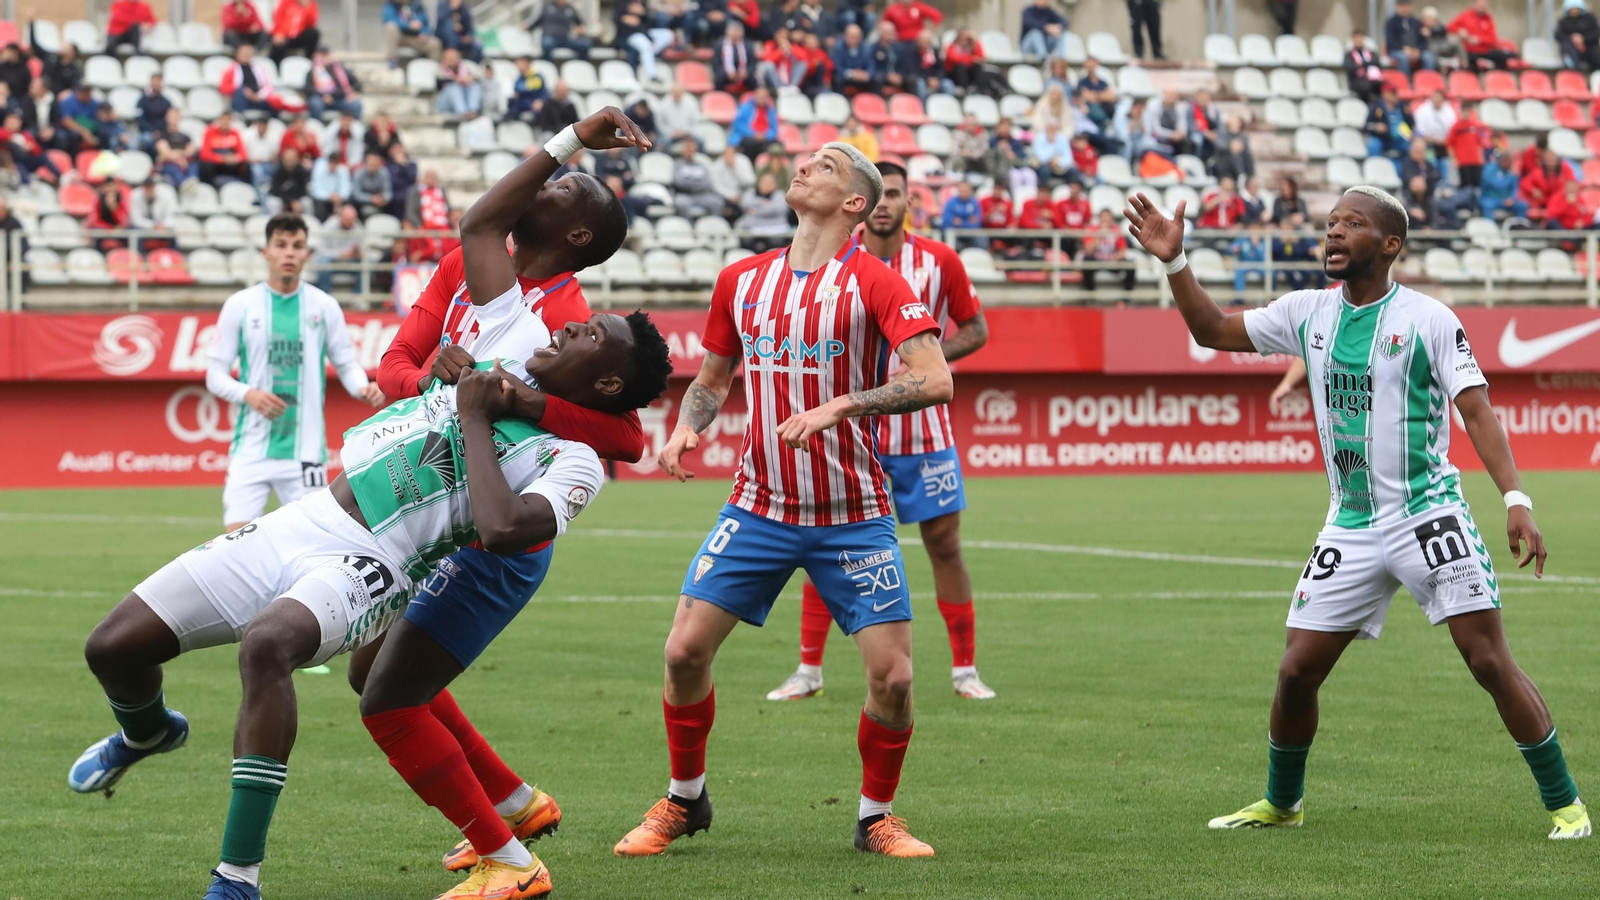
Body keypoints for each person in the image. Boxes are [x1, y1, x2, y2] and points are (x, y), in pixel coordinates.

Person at [70, 195, 665, 900]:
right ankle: (147, 733)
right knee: (110, 647)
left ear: (604, 382)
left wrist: (481, 414)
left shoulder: (574, 461)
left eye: (587, 335)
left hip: (378, 562)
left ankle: (237, 879)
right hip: (309, 513)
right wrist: (437, 377)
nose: (567, 331)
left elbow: (509, 524)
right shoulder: (513, 323)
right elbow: (473, 232)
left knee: (282, 651)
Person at [1125, 182, 1585, 840]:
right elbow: (1211, 328)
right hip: (1351, 523)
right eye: (1331, 221)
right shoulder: (1307, 312)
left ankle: (1566, 805)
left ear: (1390, 244)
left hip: (1429, 514)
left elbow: (1477, 411)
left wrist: (1516, 499)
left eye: (1353, 224)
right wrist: (1175, 261)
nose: (1334, 232)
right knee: (1295, 671)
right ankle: (1282, 802)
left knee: (1488, 659)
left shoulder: (1427, 319)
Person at [615, 140, 951, 862]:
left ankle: (875, 819)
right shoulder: (742, 280)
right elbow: (713, 374)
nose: (805, 167)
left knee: (893, 678)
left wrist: (843, 406)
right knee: (682, 654)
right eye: (805, 160)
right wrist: (685, 429)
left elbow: (934, 377)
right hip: (759, 507)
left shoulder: (878, 284)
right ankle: (684, 798)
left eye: (826, 165)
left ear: (856, 202)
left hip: (853, 517)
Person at [363, 108, 657, 900]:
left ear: (579, 238)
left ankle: (505, 842)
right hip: (423, 500)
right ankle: (515, 806)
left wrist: (516, 401)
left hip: (492, 523)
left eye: (562, 187)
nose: (546, 185)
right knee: (371, 668)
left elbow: (626, 440)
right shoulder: (469, 267)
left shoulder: (567, 324)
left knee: (383, 686)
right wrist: (433, 383)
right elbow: (391, 365)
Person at [767, 158, 992, 704]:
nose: (887, 202)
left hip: (923, 434)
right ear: (861, 202)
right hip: (849, 435)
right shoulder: (834, 257)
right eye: (881, 193)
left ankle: (965, 670)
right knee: (822, 544)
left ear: (909, 201)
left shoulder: (940, 262)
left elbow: (977, 330)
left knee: (944, 545)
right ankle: (808, 669)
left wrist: (928, 359)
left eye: (897, 193)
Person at [613, 0, 673, 83]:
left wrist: (643, 13)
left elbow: (649, 23)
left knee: (668, 34)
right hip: (631, 35)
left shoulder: (643, 4)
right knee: (645, 45)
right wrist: (627, 15)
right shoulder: (622, 4)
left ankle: (650, 52)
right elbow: (617, 19)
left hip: (645, 33)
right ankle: (652, 75)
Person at [734, 171, 792, 251]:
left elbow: (779, 208)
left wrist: (756, 211)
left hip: (775, 230)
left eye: (769, 184)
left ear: (775, 185)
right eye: (764, 183)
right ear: (759, 184)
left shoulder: (780, 194)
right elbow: (745, 203)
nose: (766, 186)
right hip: (752, 230)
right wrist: (763, 203)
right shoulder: (750, 193)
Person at [1448, 0, 1516, 69]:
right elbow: (1450, 27)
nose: (1481, 7)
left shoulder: (1488, 18)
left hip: (1484, 51)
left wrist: (1479, 40)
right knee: (1470, 61)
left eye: (1483, 6)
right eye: (1480, 5)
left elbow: (1493, 39)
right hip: (1468, 51)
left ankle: (1497, 78)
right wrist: (1459, 30)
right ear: (1475, 4)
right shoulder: (1466, 15)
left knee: (1501, 58)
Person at [671, 136, 726, 218]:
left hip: (701, 195)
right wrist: (696, 184)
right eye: (687, 149)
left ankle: (712, 227)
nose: (690, 151)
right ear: (683, 150)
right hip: (684, 195)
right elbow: (679, 182)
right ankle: (688, 228)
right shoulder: (677, 165)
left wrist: (691, 184)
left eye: (692, 149)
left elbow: (707, 183)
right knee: (681, 204)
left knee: (717, 202)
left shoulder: (701, 166)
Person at [221, 43, 280, 118]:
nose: (246, 55)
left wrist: (259, 95)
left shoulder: (259, 69)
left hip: (257, 98)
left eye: (248, 53)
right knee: (240, 92)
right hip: (241, 99)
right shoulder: (231, 69)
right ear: (237, 54)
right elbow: (224, 87)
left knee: (276, 103)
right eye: (244, 53)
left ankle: (272, 123)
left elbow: (268, 86)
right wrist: (244, 91)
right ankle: (239, 119)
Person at [304, 46, 363, 120]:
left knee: (356, 104)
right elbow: (308, 89)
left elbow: (356, 83)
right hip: (320, 99)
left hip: (339, 99)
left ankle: (352, 129)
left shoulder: (340, 70)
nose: (323, 58)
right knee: (314, 103)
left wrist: (354, 93)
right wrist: (323, 96)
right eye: (320, 55)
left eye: (325, 55)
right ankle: (317, 128)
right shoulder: (312, 72)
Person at [315, 202, 364, 290]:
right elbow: (321, 250)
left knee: (369, 262)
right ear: (340, 217)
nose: (351, 222)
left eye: (353, 219)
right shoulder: (329, 226)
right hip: (332, 262)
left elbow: (363, 248)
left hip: (351, 262)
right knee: (322, 261)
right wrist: (340, 254)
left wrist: (358, 252)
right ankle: (325, 294)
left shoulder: (358, 226)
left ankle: (359, 297)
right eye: (348, 219)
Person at [384, 0, 442, 68]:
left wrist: (424, 33)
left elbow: (426, 23)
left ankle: (433, 71)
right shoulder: (391, 5)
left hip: (415, 37)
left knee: (434, 43)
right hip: (400, 37)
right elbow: (389, 20)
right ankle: (393, 61)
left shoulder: (417, 5)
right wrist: (408, 25)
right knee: (390, 27)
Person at [1365, 83, 1414, 163]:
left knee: (1413, 147)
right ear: (1384, 94)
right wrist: (1376, 127)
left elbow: (1411, 122)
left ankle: (1408, 170)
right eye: (1392, 93)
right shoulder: (1377, 107)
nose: (1395, 96)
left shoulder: (1402, 106)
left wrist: (1411, 133)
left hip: (1400, 137)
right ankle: (1373, 166)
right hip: (1383, 137)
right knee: (1374, 144)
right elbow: (1367, 126)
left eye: (1395, 93)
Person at [200, 110, 251, 185]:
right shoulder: (209, 132)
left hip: (232, 163)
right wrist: (221, 159)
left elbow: (243, 154)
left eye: (227, 120)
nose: (225, 122)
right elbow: (204, 154)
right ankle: (211, 188)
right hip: (217, 163)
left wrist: (236, 158)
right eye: (223, 119)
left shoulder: (235, 133)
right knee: (206, 166)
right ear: (218, 120)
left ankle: (246, 187)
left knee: (247, 165)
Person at [728, 85, 779, 157]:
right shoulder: (745, 107)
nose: (762, 99)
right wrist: (754, 134)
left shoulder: (771, 111)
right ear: (755, 96)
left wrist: (765, 135)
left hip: (764, 138)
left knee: (776, 145)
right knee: (750, 143)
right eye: (760, 97)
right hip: (749, 136)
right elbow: (738, 124)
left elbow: (774, 130)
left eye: (764, 97)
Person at [1385, 0, 1434, 76]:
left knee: (1429, 58)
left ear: (1411, 7)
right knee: (1403, 58)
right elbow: (1390, 39)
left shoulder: (1416, 22)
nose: (1404, 8)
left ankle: (1426, 81)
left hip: (1415, 50)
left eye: (1407, 6)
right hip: (1397, 50)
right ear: (1397, 7)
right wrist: (1403, 48)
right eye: (1402, 6)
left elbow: (1422, 39)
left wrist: (1419, 50)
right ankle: (1404, 83)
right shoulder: (1391, 22)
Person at [1447, 101, 1488, 188]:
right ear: (1460, 112)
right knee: (1466, 185)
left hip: (1475, 161)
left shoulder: (1475, 126)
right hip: (1463, 161)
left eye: (1468, 111)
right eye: (1464, 111)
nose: (1466, 113)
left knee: (1477, 184)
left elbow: (1479, 144)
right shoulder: (1456, 127)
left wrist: (1480, 157)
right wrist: (1454, 159)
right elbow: (1450, 145)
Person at [154, 107, 198, 185]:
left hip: (186, 163)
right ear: (167, 118)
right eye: (172, 116)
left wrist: (176, 153)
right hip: (170, 164)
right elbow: (165, 153)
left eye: (176, 116)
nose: (174, 119)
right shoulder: (162, 135)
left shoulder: (185, 136)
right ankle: (184, 183)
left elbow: (191, 151)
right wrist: (179, 158)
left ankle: (192, 182)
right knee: (172, 168)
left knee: (195, 165)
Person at [435, 47, 484, 117]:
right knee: (454, 87)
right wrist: (456, 79)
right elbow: (438, 83)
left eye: (453, 57)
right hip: (445, 104)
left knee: (474, 86)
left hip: (465, 99)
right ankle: (463, 113)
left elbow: (479, 78)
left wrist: (470, 78)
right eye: (448, 57)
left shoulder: (467, 66)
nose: (450, 59)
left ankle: (473, 111)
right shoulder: (440, 68)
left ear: (458, 58)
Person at [1479, 151, 1527, 219]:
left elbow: (1515, 188)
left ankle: (1521, 227)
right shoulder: (1490, 168)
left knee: (1522, 205)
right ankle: (1491, 228)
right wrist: (1510, 176)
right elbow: (1495, 183)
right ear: (1502, 160)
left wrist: (1512, 198)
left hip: (1506, 200)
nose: (1509, 163)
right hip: (1490, 198)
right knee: (1487, 206)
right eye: (1507, 161)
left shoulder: (1511, 172)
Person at [712, 21, 757, 93]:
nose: (735, 36)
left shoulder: (748, 45)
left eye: (737, 34)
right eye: (733, 34)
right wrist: (727, 73)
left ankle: (751, 101)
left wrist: (746, 72)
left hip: (743, 74)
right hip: (726, 74)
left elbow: (752, 64)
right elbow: (716, 65)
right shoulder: (720, 45)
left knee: (753, 81)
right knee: (718, 79)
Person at [87, 177, 132, 248]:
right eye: (108, 186)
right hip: (104, 229)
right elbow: (95, 220)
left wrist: (114, 208)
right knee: (96, 233)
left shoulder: (121, 199)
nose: (110, 189)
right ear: (104, 188)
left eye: (112, 186)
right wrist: (109, 229)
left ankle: (126, 256)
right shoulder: (98, 199)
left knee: (130, 235)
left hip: (119, 229)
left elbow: (124, 220)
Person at [709, 142, 755, 211]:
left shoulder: (743, 160)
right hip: (725, 196)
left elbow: (750, 181)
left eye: (731, 154)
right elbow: (717, 186)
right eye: (726, 154)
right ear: (723, 155)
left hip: (743, 193)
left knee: (750, 199)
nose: (729, 157)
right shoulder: (717, 166)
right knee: (718, 202)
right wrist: (731, 196)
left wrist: (734, 168)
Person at [1558, 0, 1600, 73]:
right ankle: (1574, 67)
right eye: (1571, 9)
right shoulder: (1563, 22)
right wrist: (1573, 38)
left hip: (1589, 49)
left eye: (1576, 8)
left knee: (1596, 53)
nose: (1574, 11)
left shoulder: (1590, 18)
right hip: (1573, 51)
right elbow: (1558, 35)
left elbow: (1596, 32)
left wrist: (1583, 38)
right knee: (1566, 48)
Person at [832, 23, 875, 94]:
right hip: (847, 77)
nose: (854, 39)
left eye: (856, 37)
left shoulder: (867, 48)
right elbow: (837, 67)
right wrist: (852, 74)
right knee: (837, 79)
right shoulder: (838, 48)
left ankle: (872, 102)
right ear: (845, 36)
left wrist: (867, 74)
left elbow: (871, 65)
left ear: (861, 37)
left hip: (862, 77)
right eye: (851, 37)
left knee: (876, 79)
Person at [1229, 220, 1268, 297]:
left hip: (1260, 264)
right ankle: (1239, 298)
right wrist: (1234, 249)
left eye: (1257, 229)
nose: (1254, 231)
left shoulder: (1264, 241)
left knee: (1271, 272)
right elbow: (1230, 249)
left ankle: (1272, 297)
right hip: (1245, 263)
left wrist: (1255, 245)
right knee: (1239, 271)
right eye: (1252, 228)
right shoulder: (1243, 239)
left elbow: (1263, 258)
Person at [1412, 88, 1455, 158]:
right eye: (1435, 97)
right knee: (1432, 164)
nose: (1437, 100)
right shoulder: (1423, 110)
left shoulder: (1449, 111)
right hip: (1429, 144)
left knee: (1445, 164)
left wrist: (1446, 139)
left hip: (1444, 144)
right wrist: (1430, 138)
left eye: (1439, 98)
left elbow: (1452, 128)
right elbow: (1419, 128)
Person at [505, 56, 548, 123]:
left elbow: (544, 92)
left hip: (536, 105)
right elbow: (517, 95)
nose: (518, 66)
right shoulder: (518, 80)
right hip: (523, 104)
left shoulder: (537, 76)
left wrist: (541, 101)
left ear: (526, 63)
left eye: (520, 63)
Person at [352, 150, 393, 219]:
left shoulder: (384, 173)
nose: (373, 167)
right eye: (371, 164)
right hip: (363, 202)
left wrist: (383, 199)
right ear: (366, 163)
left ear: (379, 164)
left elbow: (388, 192)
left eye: (375, 165)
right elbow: (356, 194)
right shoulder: (358, 174)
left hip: (380, 202)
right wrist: (371, 198)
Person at [657, 83, 701, 147]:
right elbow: (661, 124)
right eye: (675, 93)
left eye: (679, 93)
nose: (677, 95)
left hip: (687, 134)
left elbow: (695, 122)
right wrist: (671, 133)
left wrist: (687, 133)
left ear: (683, 93)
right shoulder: (664, 105)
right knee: (663, 143)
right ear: (671, 93)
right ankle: (666, 157)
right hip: (671, 135)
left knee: (700, 142)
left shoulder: (691, 103)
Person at [1344, 31, 1383, 103]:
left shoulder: (1370, 53)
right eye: (1356, 38)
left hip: (1372, 78)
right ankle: (1366, 105)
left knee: (1382, 84)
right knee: (1365, 86)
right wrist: (1366, 65)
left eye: (1360, 38)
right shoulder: (1349, 55)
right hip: (1357, 80)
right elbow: (1350, 68)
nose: (1358, 40)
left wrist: (1362, 65)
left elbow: (1376, 62)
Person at [269, 147, 311, 214]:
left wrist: (294, 201)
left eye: (292, 159)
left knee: (307, 202)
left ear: (297, 159)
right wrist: (289, 201)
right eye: (287, 159)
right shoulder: (278, 172)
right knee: (274, 203)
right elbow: (275, 191)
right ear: (283, 159)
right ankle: (276, 223)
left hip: (296, 199)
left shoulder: (301, 172)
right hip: (281, 199)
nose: (289, 161)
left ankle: (306, 223)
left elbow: (302, 190)